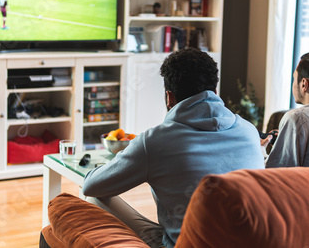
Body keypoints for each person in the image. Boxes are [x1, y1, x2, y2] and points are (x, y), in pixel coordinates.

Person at [82, 48, 265, 248]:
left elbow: (91, 186)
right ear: (214, 92)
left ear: (169, 97)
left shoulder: (155, 140)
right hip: (251, 242)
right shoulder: (249, 131)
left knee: (97, 199)